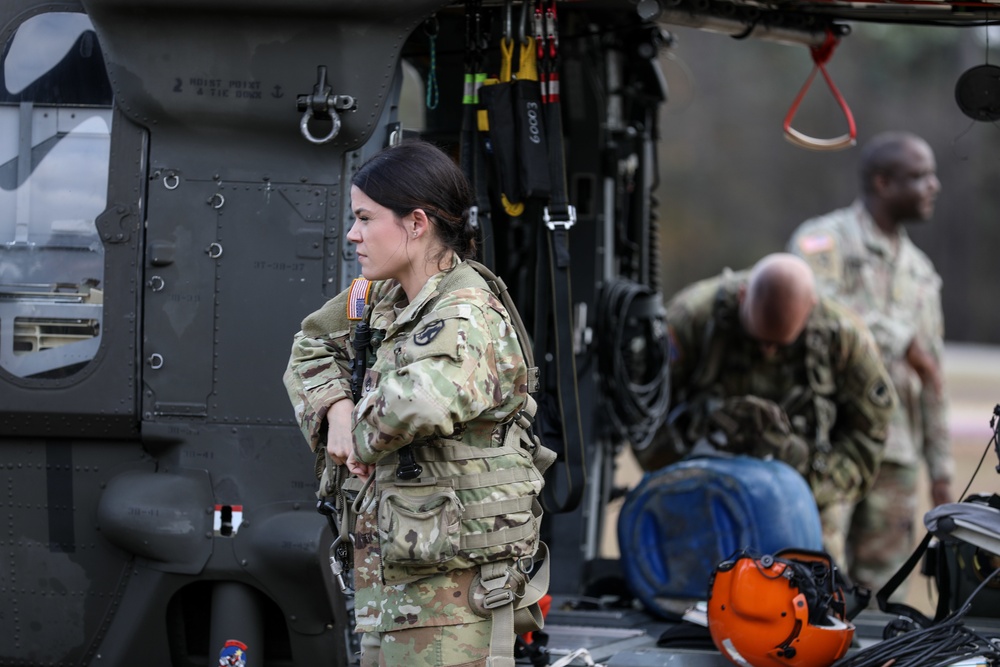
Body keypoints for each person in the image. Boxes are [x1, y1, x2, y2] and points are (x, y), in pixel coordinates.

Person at [283, 140, 547, 667]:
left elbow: (422, 402)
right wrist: (336, 411)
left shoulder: (466, 312)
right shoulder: (381, 295)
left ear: (416, 222)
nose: (354, 234)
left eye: (365, 217)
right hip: (396, 581)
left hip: (453, 595)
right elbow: (310, 345)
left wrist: (358, 436)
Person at [633, 253, 896, 566]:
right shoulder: (695, 318)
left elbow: (868, 435)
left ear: (810, 308)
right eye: (758, 340)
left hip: (804, 494)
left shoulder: (843, 338)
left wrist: (813, 481)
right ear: (743, 295)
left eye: (779, 345)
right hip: (705, 484)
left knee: (811, 586)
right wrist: (682, 472)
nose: (767, 352)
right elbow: (643, 412)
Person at [788, 131, 953, 600]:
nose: (934, 186)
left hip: (895, 455)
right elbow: (814, 307)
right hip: (828, 440)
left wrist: (940, 469)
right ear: (882, 182)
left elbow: (932, 374)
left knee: (885, 595)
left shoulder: (921, 272)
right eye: (920, 176)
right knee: (815, 582)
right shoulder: (823, 241)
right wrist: (901, 340)